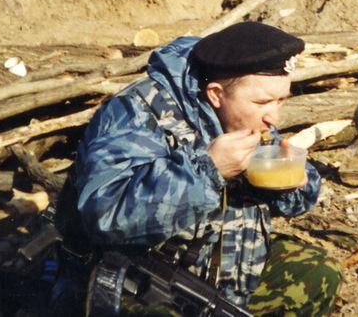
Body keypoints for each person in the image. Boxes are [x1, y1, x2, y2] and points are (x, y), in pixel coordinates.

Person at [56, 21, 341, 316]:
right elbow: (106, 216)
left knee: (318, 272)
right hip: (146, 286)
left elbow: (297, 199)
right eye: (263, 102)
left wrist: (293, 182)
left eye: (281, 100)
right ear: (216, 94)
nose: (274, 117)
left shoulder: (250, 115)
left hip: (232, 274)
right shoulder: (137, 112)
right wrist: (207, 169)